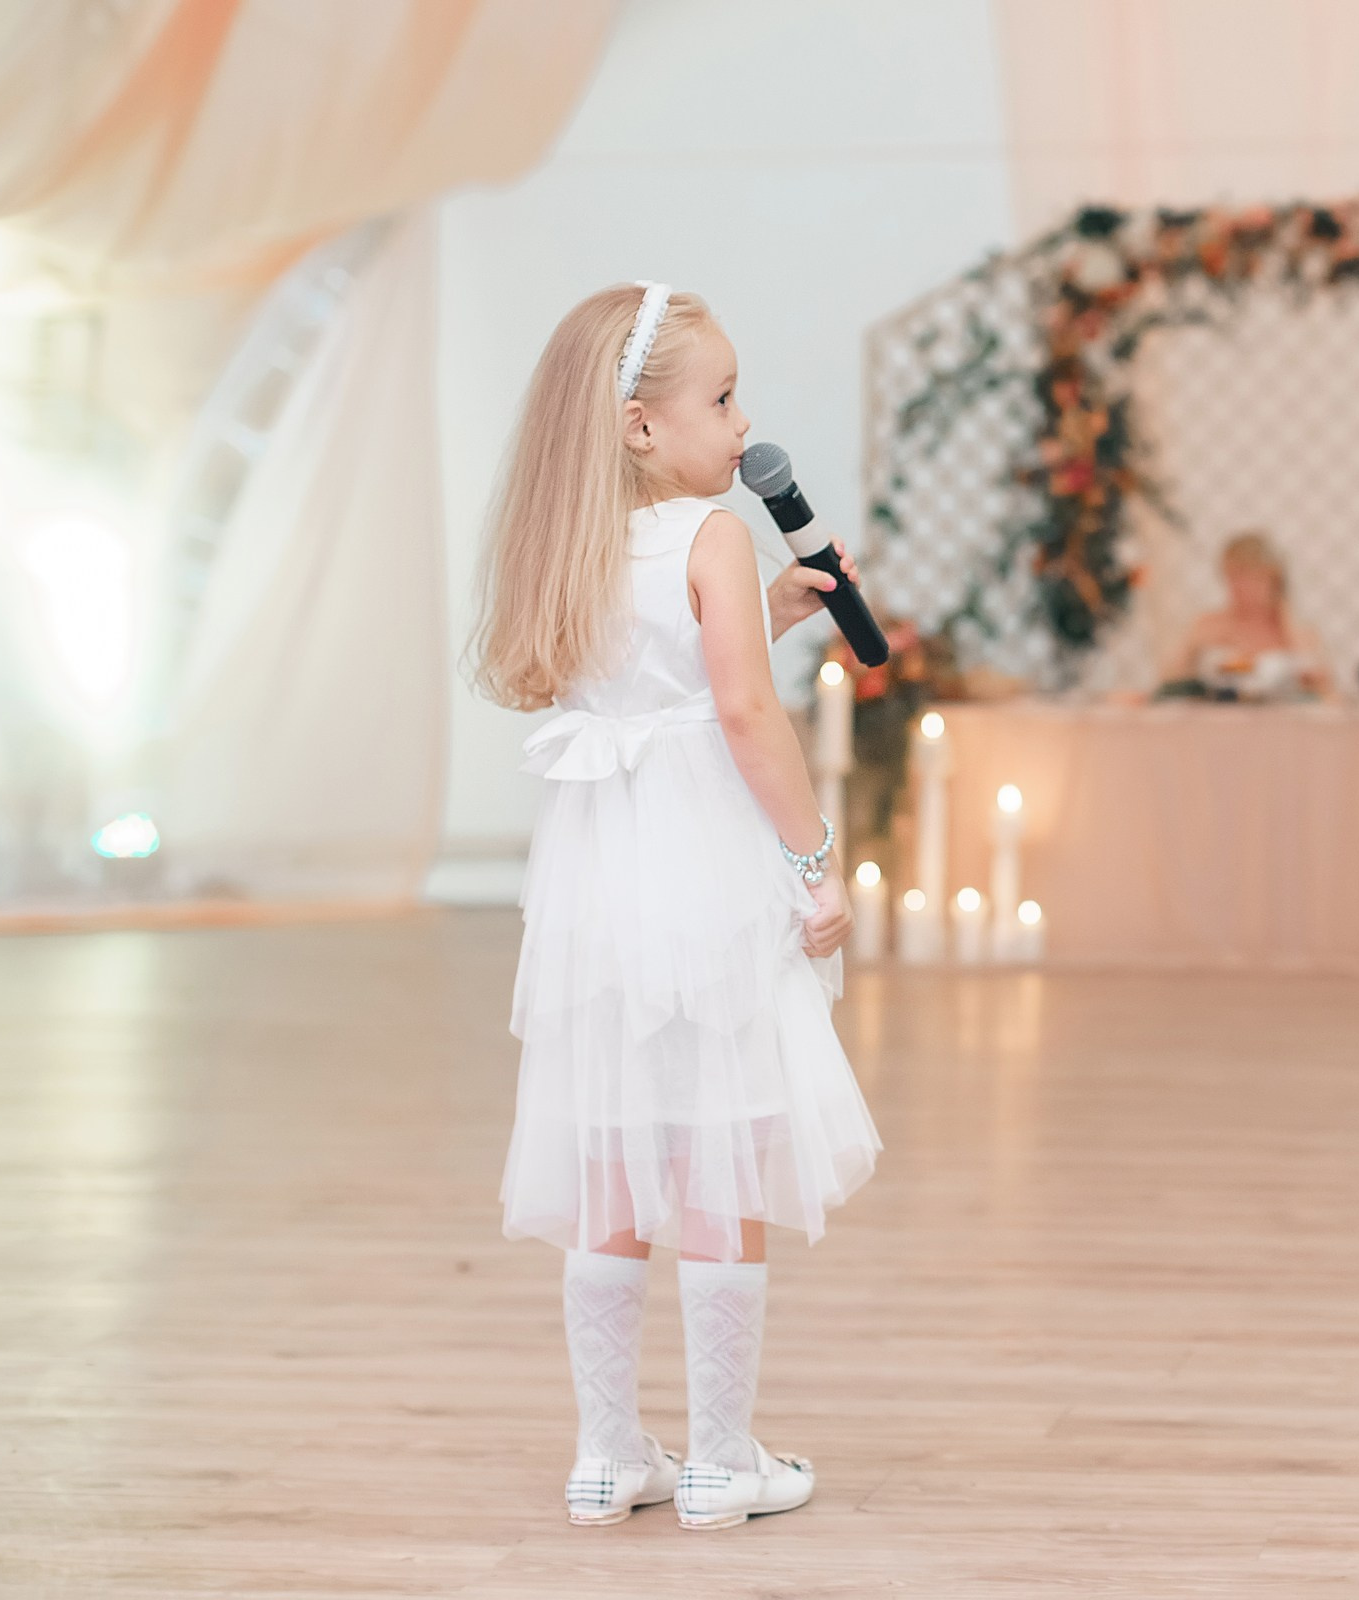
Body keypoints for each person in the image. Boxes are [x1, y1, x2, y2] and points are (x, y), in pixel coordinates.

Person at [470, 282, 881, 1534]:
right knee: (716, 1157)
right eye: (721, 397)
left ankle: (605, 1455)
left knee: (609, 1157)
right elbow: (743, 716)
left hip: (599, 870)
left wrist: (767, 612)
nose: (742, 418)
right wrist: (814, 859)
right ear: (643, 428)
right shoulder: (710, 530)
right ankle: (717, 1457)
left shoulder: (571, 539)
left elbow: (643, 671)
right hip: (701, 860)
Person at [1158, 531, 1333, 699]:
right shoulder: (1207, 625)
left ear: (1273, 578)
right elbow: (1167, 682)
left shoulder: (1299, 632)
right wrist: (1193, 644)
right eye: (1231, 577)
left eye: (1248, 577)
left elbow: (1327, 694)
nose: (1238, 587)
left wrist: (1286, 619)